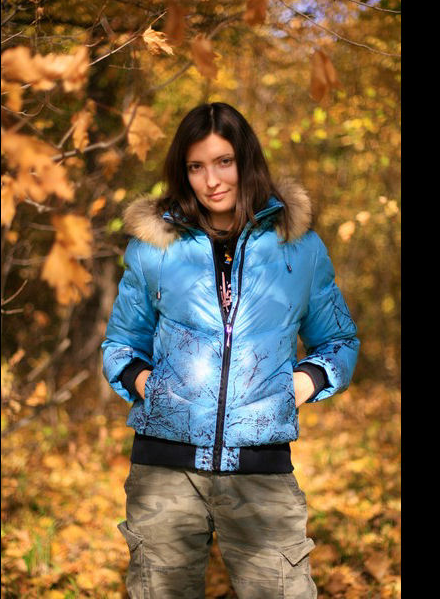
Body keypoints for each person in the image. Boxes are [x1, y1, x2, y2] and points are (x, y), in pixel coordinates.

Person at [101, 102, 359, 598]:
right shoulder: (155, 248)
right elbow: (121, 344)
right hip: (165, 473)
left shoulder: (299, 248)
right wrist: (149, 385)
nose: (211, 180)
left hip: (261, 471)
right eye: (196, 166)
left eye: (224, 162)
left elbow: (339, 341)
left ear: (247, 161)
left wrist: (300, 385)